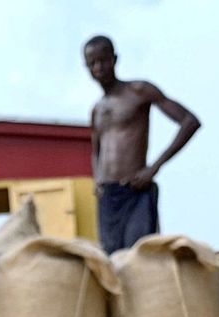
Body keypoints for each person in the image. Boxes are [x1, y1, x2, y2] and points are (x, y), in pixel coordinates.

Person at [84, 35, 200, 255]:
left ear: (114, 59)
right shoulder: (97, 110)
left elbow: (189, 122)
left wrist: (153, 168)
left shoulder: (138, 91)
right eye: (92, 63)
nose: (98, 68)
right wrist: (97, 179)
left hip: (135, 190)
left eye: (103, 61)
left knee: (141, 258)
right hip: (109, 197)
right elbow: (96, 149)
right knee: (111, 263)